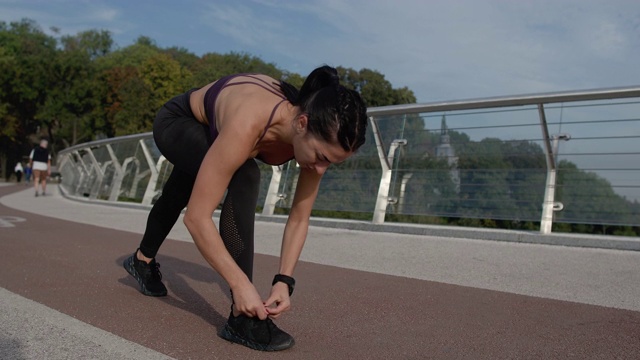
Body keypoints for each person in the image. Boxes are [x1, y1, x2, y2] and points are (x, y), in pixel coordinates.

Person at [122, 65, 368, 351]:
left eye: (332, 163)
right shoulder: (252, 121)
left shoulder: (314, 132)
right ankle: (243, 318)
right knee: (245, 174)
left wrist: (284, 281)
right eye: (322, 157)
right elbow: (198, 218)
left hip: (222, 126)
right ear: (301, 124)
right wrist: (241, 287)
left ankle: (141, 260)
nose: (321, 169)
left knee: (181, 190)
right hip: (179, 121)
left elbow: (299, 218)